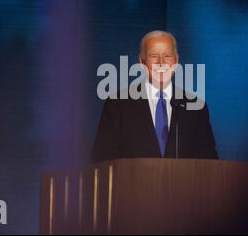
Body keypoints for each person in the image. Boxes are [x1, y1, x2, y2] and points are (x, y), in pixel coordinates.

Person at [91, 30, 217, 163]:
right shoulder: (118, 104)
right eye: (153, 56)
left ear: (176, 60)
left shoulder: (196, 107)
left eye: (167, 56)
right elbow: (102, 160)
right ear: (141, 61)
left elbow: (208, 164)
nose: (161, 62)